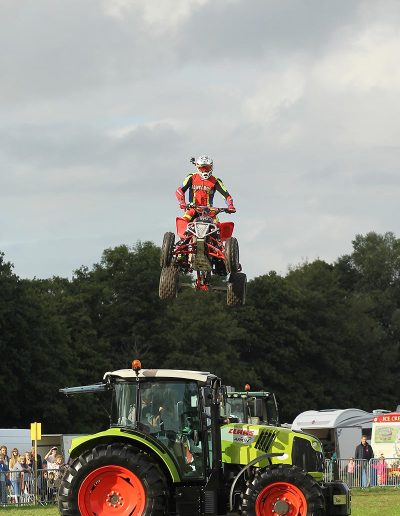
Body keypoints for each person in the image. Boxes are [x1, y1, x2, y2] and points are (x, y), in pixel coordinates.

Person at [175, 155, 236, 221]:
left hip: (210, 210)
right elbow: (180, 190)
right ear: (198, 167)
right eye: (202, 168)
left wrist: (230, 205)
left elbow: (226, 195)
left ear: (211, 167)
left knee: (217, 224)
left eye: (207, 168)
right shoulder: (191, 177)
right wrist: (182, 202)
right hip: (192, 208)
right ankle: (182, 231)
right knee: (184, 220)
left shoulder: (216, 180)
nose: (205, 171)